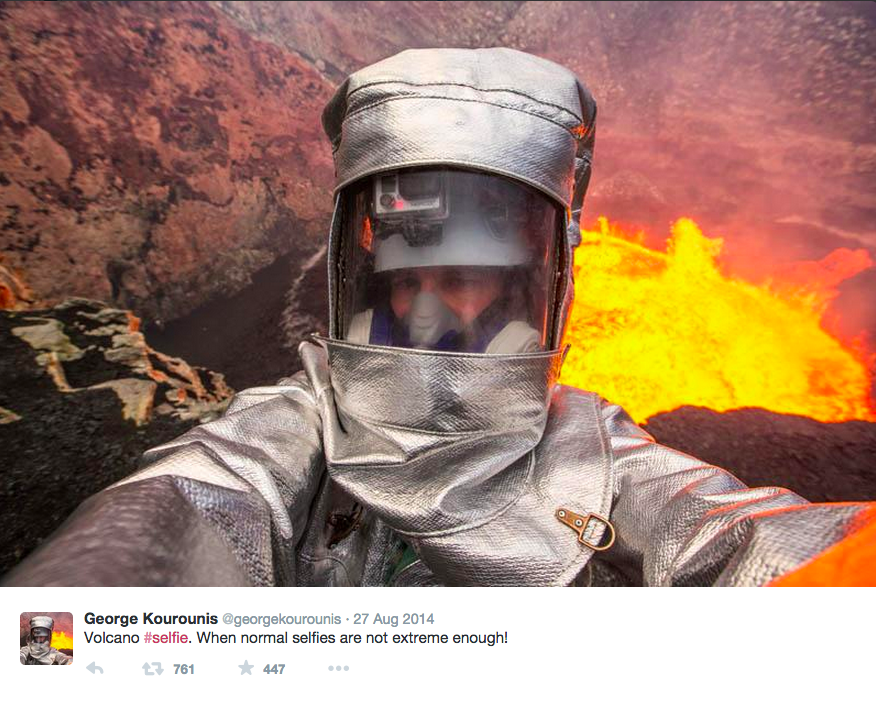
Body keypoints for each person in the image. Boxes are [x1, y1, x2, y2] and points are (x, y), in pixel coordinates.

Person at [4, 47, 871, 587]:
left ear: (526, 289)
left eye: (471, 279)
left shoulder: (598, 453)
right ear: (369, 276)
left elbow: (738, 540)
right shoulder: (299, 424)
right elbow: (197, 499)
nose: (433, 307)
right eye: (412, 279)